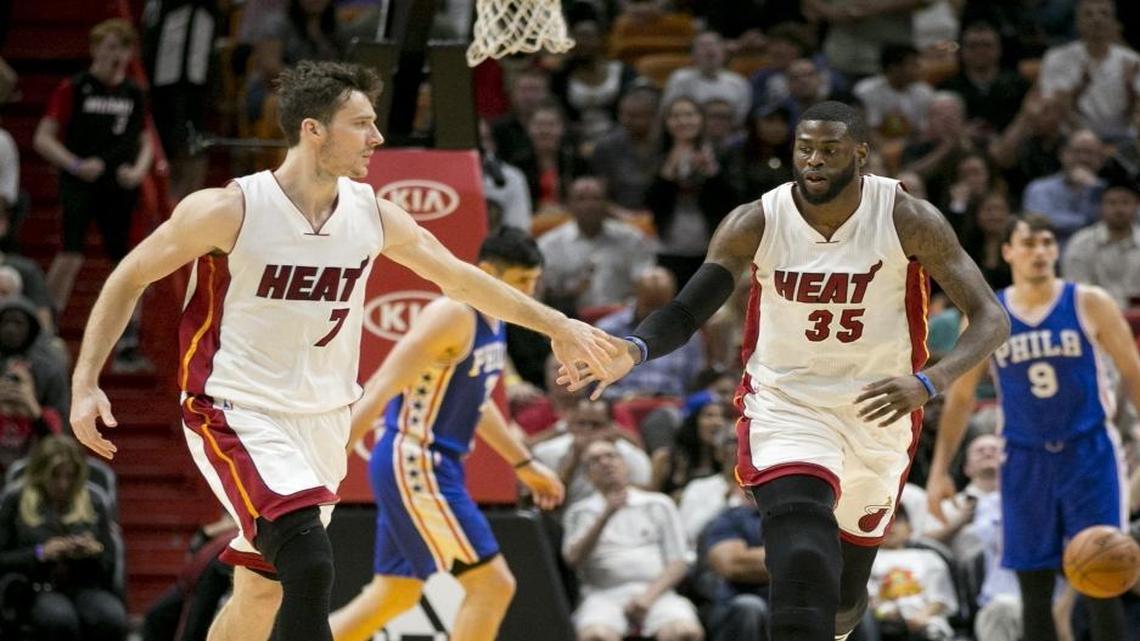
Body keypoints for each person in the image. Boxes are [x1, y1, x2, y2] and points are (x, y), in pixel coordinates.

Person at [66, 60, 619, 641]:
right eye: (361, 124)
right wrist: (85, 382)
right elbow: (129, 276)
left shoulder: (371, 214)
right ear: (313, 130)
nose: (376, 137)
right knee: (309, 563)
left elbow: (459, 278)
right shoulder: (230, 210)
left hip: (322, 420)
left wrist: (557, 324)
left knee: (262, 588)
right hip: (235, 408)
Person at [561, 100, 1010, 641]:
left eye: (829, 150)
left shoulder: (906, 217)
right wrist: (635, 349)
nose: (814, 160)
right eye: (805, 148)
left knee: (842, 599)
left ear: (860, 155)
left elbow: (991, 318)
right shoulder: (757, 220)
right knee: (800, 549)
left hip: (880, 409)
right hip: (787, 400)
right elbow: (687, 310)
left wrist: (929, 381)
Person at [328, 228, 566, 641]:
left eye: (534, 281)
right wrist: (329, 462)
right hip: (416, 462)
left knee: (394, 594)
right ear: (487, 272)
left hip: (434, 465)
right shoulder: (453, 314)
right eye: (521, 281)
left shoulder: (497, 316)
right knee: (493, 586)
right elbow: (381, 386)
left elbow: (479, 401)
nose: (530, 292)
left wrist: (524, 463)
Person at [927, 213, 1140, 641]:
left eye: (1046, 242)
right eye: (1028, 243)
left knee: (1103, 577)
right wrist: (939, 471)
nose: (1040, 252)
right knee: (1034, 587)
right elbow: (962, 398)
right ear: (1008, 251)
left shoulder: (1089, 301)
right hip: (1024, 458)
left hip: (1089, 453)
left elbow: (1132, 373)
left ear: (1056, 250)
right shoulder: (989, 315)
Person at [32, 18, 153, 371]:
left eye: (124, 48)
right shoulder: (75, 87)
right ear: (95, 49)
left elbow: (146, 140)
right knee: (70, 255)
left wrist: (139, 170)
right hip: (81, 182)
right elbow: (43, 138)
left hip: (119, 186)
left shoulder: (133, 93)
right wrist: (74, 164)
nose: (118, 55)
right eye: (111, 47)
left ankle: (128, 342)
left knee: (128, 263)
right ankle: (45, 331)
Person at [562, 438, 704, 641]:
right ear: (587, 474)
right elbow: (573, 560)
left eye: (611, 456)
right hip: (603, 595)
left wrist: (647, 598)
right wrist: (604, 517)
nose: (605, 462)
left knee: (685, 632)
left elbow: (679, 562)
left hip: (657, 592)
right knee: (596, 636)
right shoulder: (579, 512)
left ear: (625, 465)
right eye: (595, 460)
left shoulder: (659, 504)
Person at [0, 435, 127, 641]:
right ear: (40, 473)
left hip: (83, 585)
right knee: (59, 619)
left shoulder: (94, 502)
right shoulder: (15, 501)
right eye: (55, 476)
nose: (63, 484)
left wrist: (92, 551)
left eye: (70, 476)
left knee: (111, 617)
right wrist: (40, 552)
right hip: (34, 586)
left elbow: (109, 564)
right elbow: (3, 559)